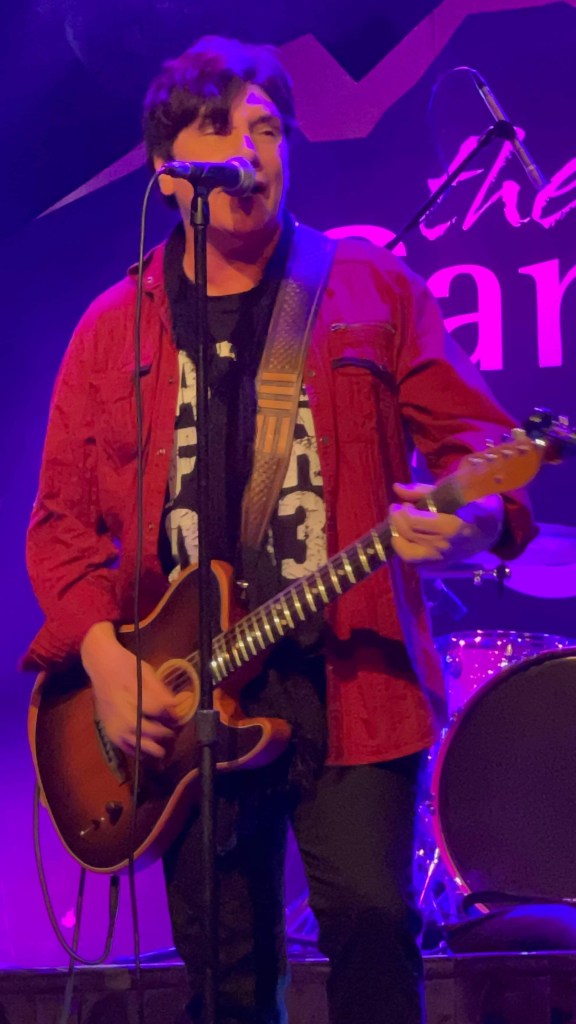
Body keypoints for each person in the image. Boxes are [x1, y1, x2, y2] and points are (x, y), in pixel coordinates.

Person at [24, 35, 536, 1024]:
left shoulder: (370, 289)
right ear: (168, 165)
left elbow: (481, 448)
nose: (248, 150)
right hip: (181, 705)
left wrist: (473, 519)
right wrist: (106, 657)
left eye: (266, 129)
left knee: (374, 928)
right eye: (218, 127)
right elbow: (59, 526)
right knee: (223, 967)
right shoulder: (111, 329)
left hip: (352, 682)